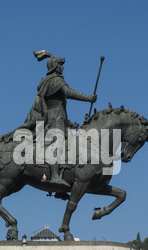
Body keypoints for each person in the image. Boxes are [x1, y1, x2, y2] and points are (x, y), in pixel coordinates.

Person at [23, 50, 97, 187]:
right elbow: (68, 92)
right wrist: (88, 98)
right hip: (55, 116)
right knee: (58, 143)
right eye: (60, 65)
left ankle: (64, 176)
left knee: (71, 144)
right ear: (55, 66)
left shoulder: (48, 81)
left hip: (60, 116)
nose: (62, 67)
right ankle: (55, 176)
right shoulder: (56, 80)